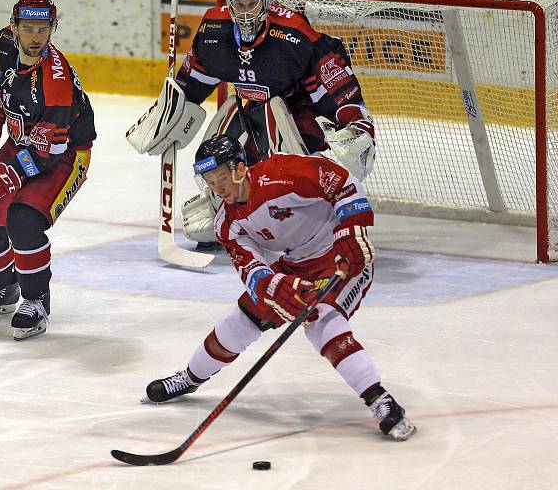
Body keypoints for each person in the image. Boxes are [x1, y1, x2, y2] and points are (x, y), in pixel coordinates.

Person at [143, 135, 415, 441]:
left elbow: (342, 183)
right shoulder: (227, 224)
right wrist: (277, 287)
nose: (218, 190)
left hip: (342, 257)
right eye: (210, 183)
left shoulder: (282, 174)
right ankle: (190, 378)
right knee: (240, 321)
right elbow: (252, 271)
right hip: (296, 266)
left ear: (240, 169)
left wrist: (352, 228)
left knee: (321, 322)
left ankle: (380, 399)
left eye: (221, 179)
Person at [126, 0, 376, 245]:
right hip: (252, 107)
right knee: (216, 153)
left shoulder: (293, 35)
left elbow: (337, 88)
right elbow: (191, 84)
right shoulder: (213, 32)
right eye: (239, 4)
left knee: (284, 159)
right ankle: (229, 209)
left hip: (299, 110)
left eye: (251, 3)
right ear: (229, 5)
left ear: (266, 2)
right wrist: (168, 112)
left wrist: (356, 125)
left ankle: (313, 209)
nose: (245, 12)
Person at [0, 0, 96, 340]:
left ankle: (36, 300)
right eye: (28, 28)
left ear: (52, 29)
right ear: (14, 26)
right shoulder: (5, 43)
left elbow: (48, 152)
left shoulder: (56, 80)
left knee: (22, 218)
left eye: (43, 29)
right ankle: (2, 289)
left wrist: (7, 176)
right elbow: (1, 73)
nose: (35, 37)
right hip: (24, 141)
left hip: (64, 154)